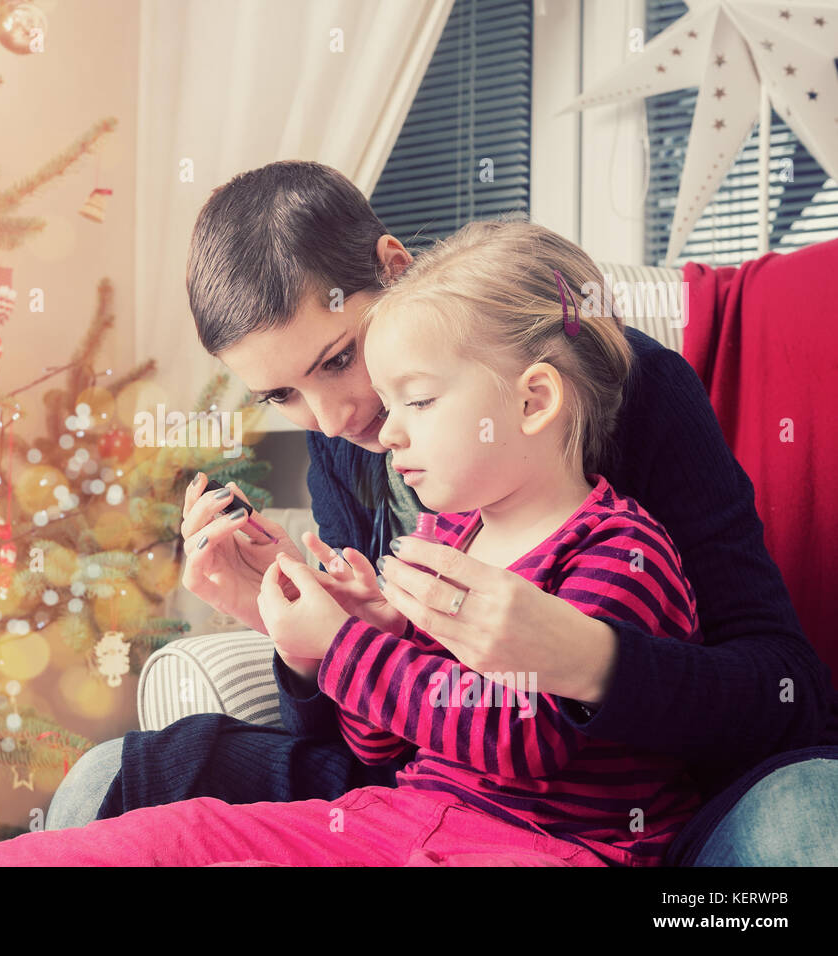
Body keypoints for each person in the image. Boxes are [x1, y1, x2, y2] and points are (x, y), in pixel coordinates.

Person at [46, 161, 838, 865]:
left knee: (806, 817)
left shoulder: (634, 393)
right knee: (107, 782)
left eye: (338, 357)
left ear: (396, 267)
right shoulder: (347, 441)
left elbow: (787, 691)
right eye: (283, 395)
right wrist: (303, 641)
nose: (337, 418)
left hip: (621, 816)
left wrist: (593, 662)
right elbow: (375, 738)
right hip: (423, 789)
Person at [0, 220, 713, 866]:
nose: (355, 423)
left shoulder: (618, 547)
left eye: (416, 395)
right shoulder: (447, 533)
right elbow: (384, 747)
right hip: (402, 814)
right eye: (282, 395)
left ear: (535, 399)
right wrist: (332, 633)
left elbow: (523, 736)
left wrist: (347, 649)